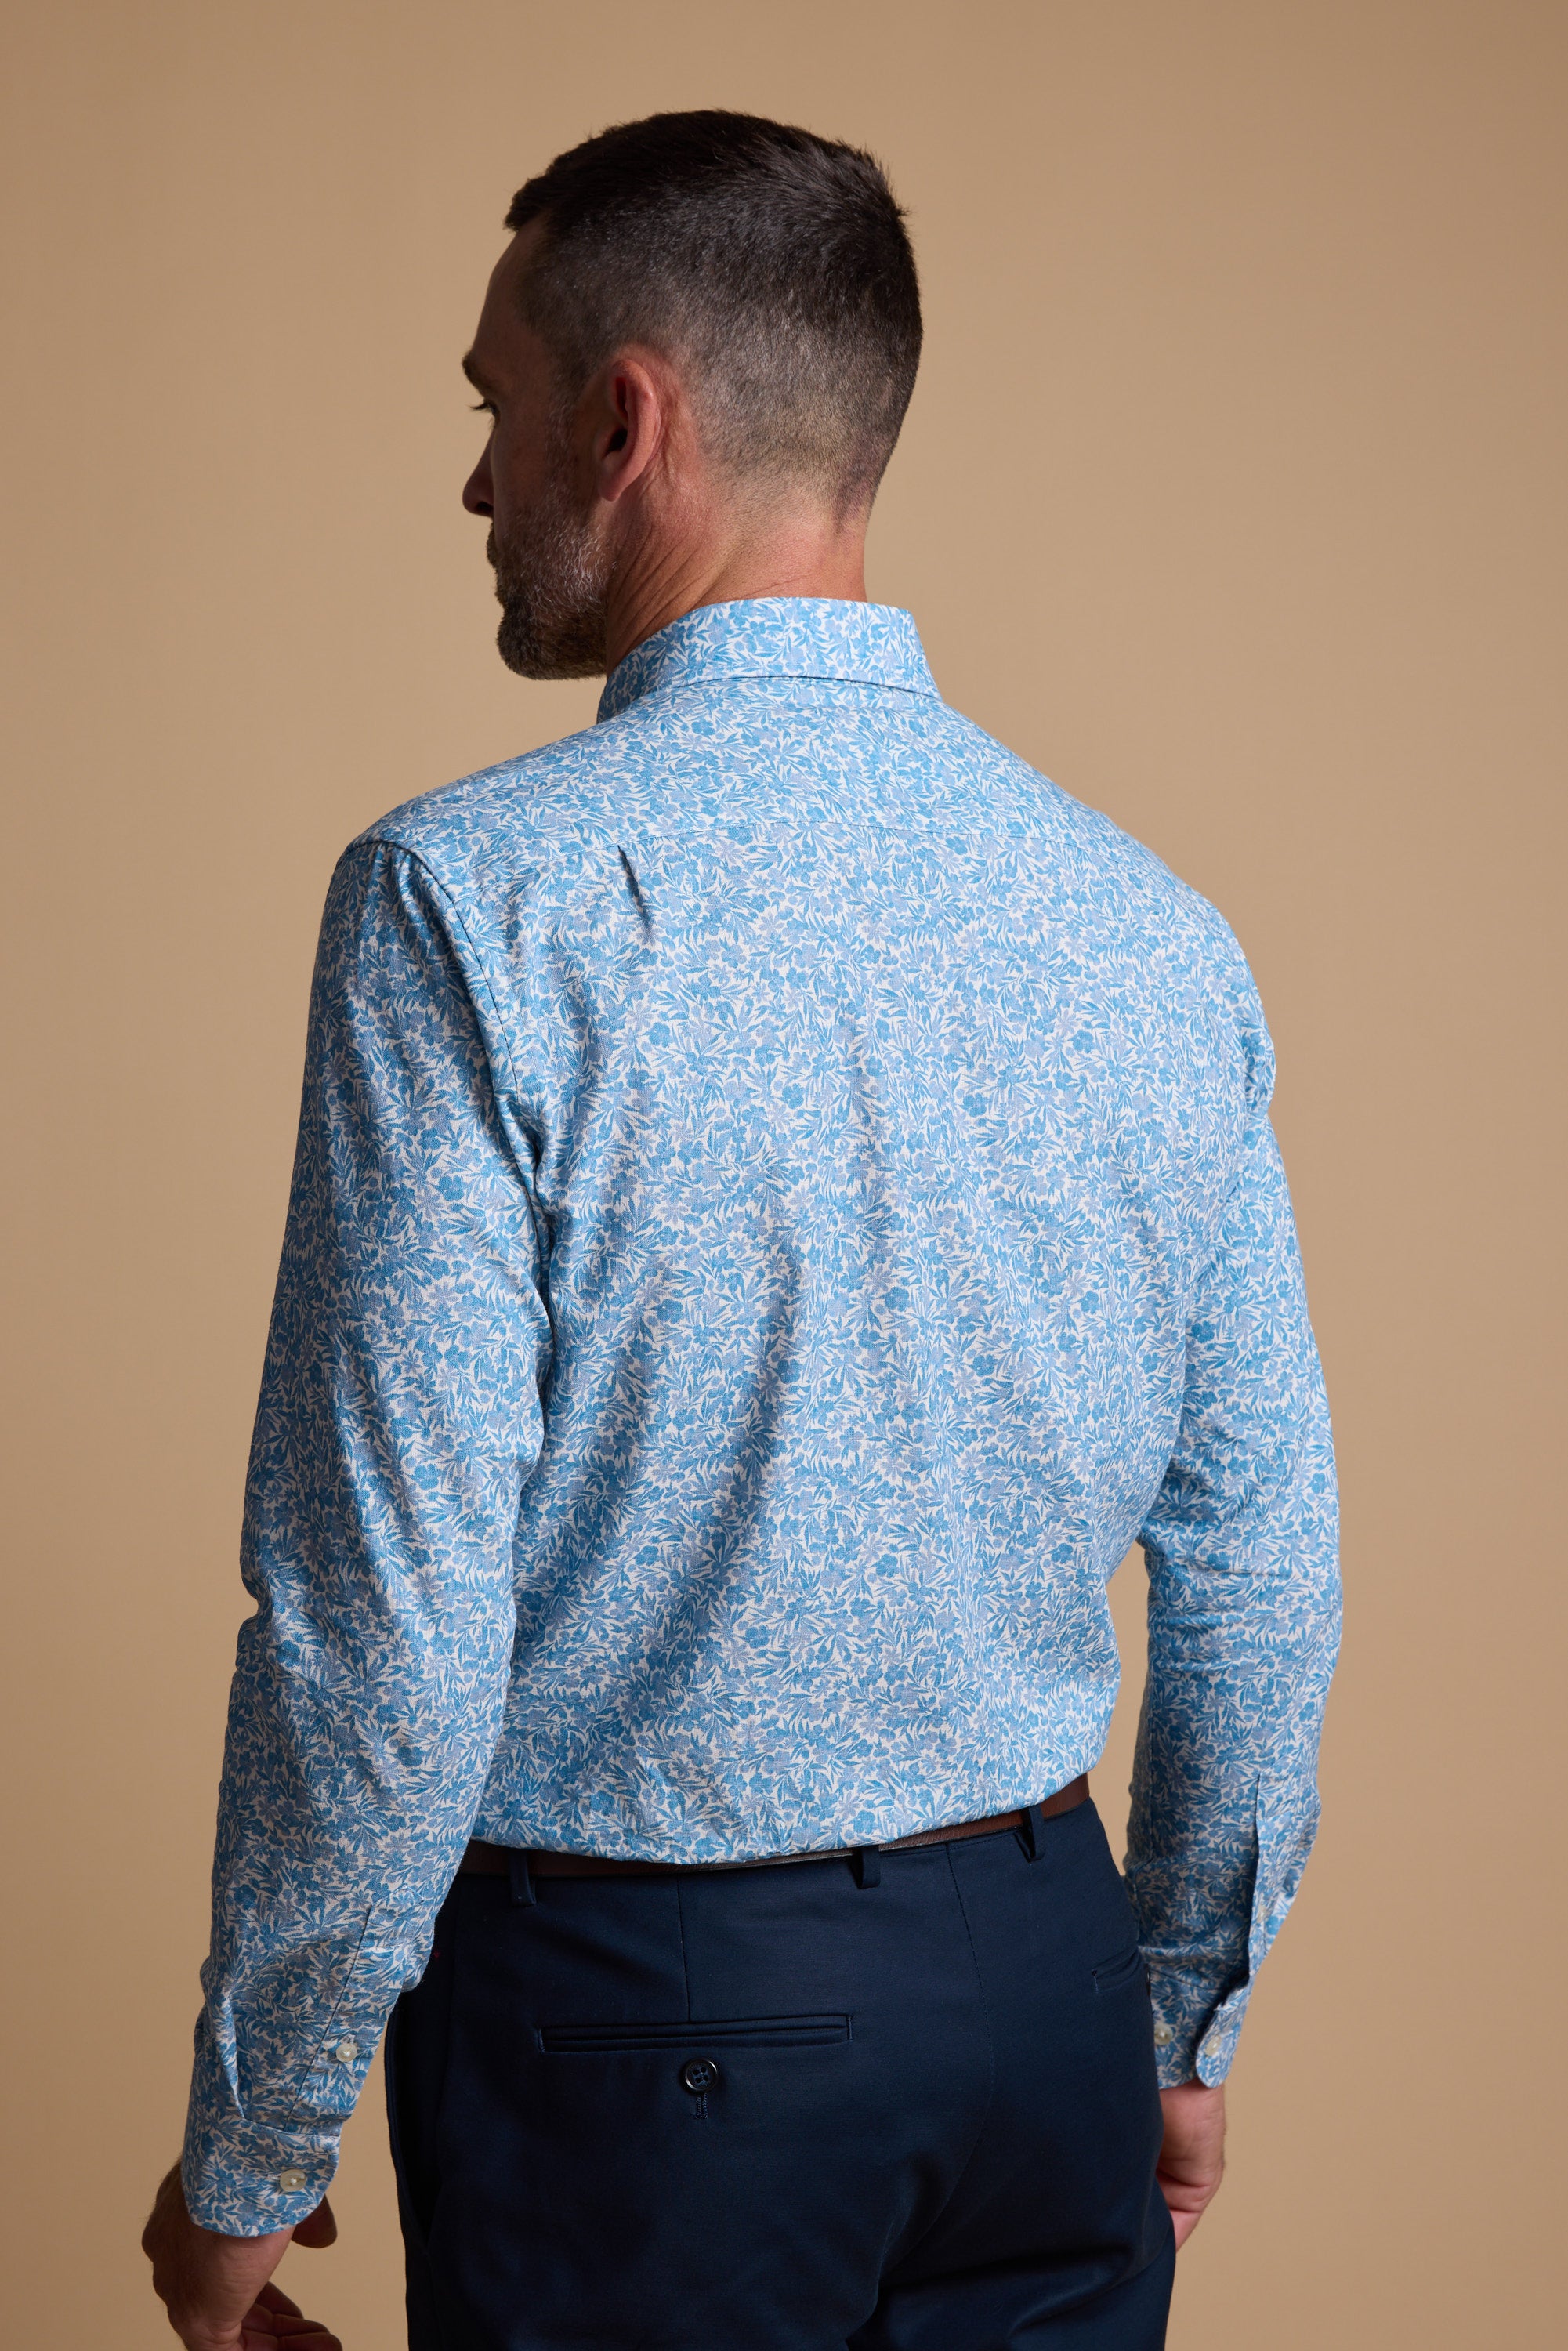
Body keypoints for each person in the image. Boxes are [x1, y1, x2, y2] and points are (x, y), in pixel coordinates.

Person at [142, 110, 1339, 2351]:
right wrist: (1170, 2019)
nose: (476, 487)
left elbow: (384, 1622)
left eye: (493, 412)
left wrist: (256, 2135)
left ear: (625, 421)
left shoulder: (470, 903)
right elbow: (1263, 1557)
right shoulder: (1151, 933)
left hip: (648, 2032)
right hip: (1038, 1995)